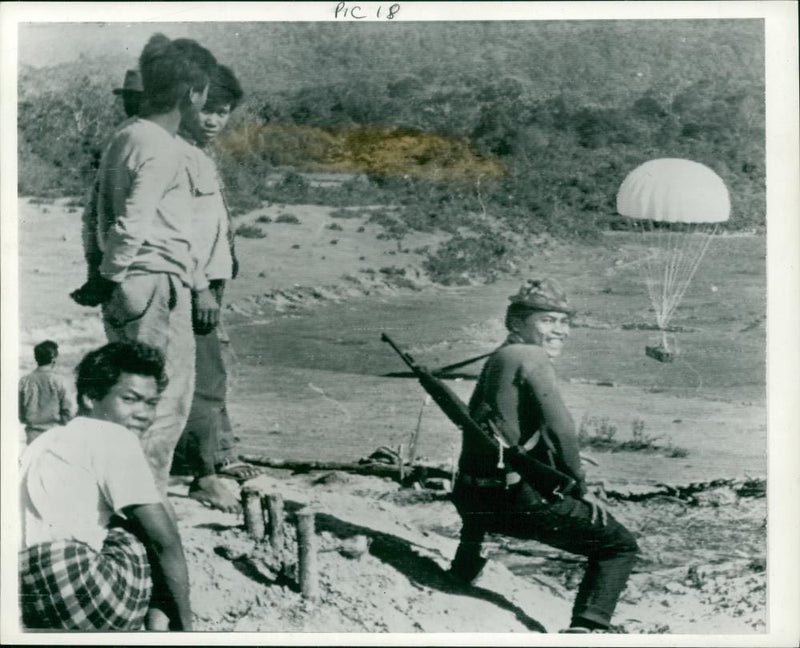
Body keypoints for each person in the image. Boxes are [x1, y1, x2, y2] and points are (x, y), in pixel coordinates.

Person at [450, 278, 639, 633]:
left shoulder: (500, 358)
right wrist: (579, 484)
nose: (560, 330)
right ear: (517, 322)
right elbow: (560, 428)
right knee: (619, 546)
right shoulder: (530, 355)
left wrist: (552, 459)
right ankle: (589, 625)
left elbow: (497, 431)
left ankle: (461, 569)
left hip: (474, 501)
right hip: (516, 504)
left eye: (564, 321)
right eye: (548, 320)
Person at [80, 34, 218, 497]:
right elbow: (134, 220)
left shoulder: (124, 137)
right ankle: (144, 502)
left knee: (125, 399)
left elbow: (93, 214)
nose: (203, 103)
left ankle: (118, 494)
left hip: (127, 287)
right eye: (202, 94)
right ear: (189, 94)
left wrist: (100, 273)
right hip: (155, 283)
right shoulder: (163, 146)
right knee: (161, 404)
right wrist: (108, 273)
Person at [19, 341, 192, 631]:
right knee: (150, 524)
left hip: (22, 591)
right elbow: (166, 542)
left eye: (151, 403)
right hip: (76, 587)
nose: (144, 414)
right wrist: (188, 626)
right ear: (90, 397)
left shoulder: (44, 442)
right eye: (130, 399)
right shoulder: (113, 436)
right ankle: (161, 630)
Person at [171, 63, 260, 512]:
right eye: (207, 110)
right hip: (193, 285)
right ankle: (202, 475)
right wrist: (201, 288)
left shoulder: (198, 154)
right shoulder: (177, 154)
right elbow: (178, 232)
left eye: (222, 112)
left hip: (208, 282)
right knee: (205, 379)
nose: (214, 120)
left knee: (205, 374)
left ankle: (205, 460)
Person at [18, 340, 76, 445]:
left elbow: (20, 413)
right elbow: (69, 411)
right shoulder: (59, 381)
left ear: (36, 358)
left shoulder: (24, 381)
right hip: (55, 435)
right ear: (53, 359)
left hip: (32, 436)